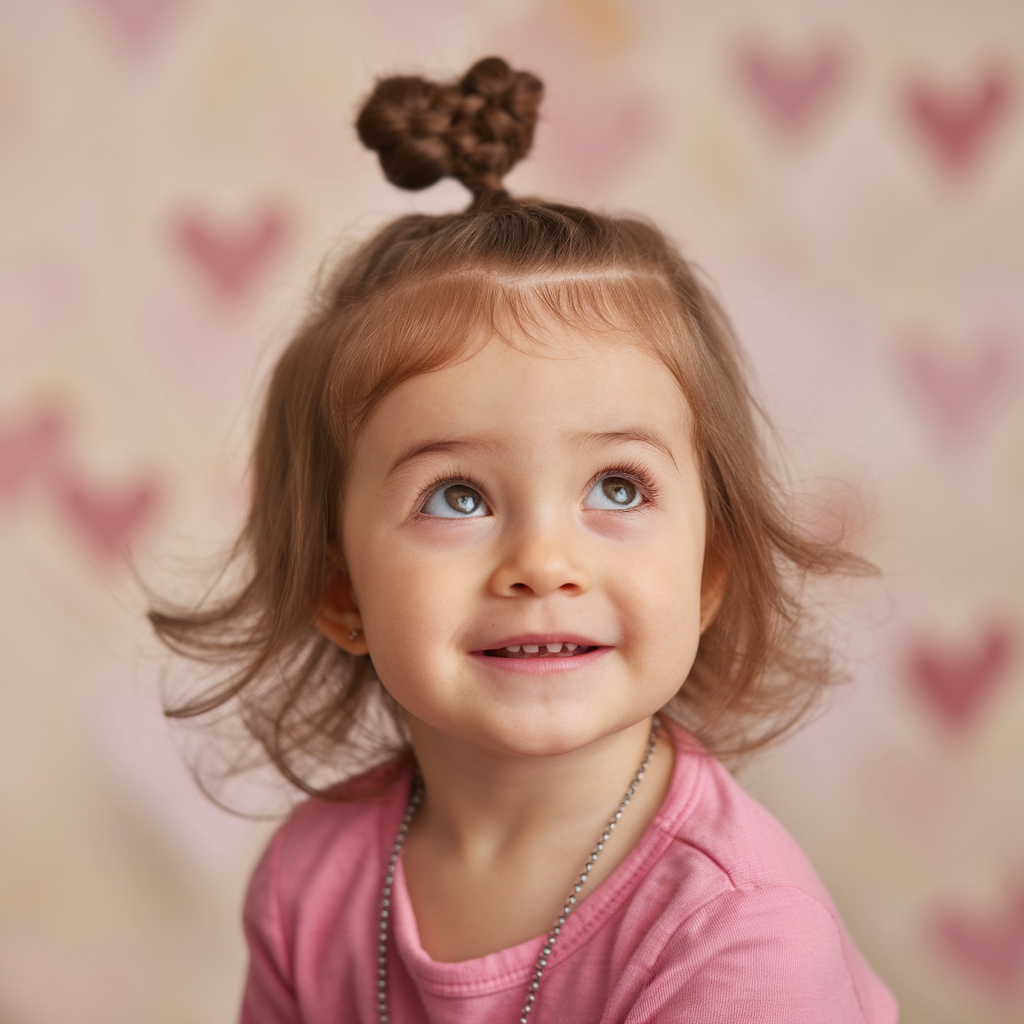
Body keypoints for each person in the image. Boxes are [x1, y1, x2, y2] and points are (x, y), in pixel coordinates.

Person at [150, 57, 898, 1024]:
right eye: (457, 497)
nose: (544, 563)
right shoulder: (310, 880)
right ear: (340, 594)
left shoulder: (739, 933)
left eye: (617, 487)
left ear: (707, 575)